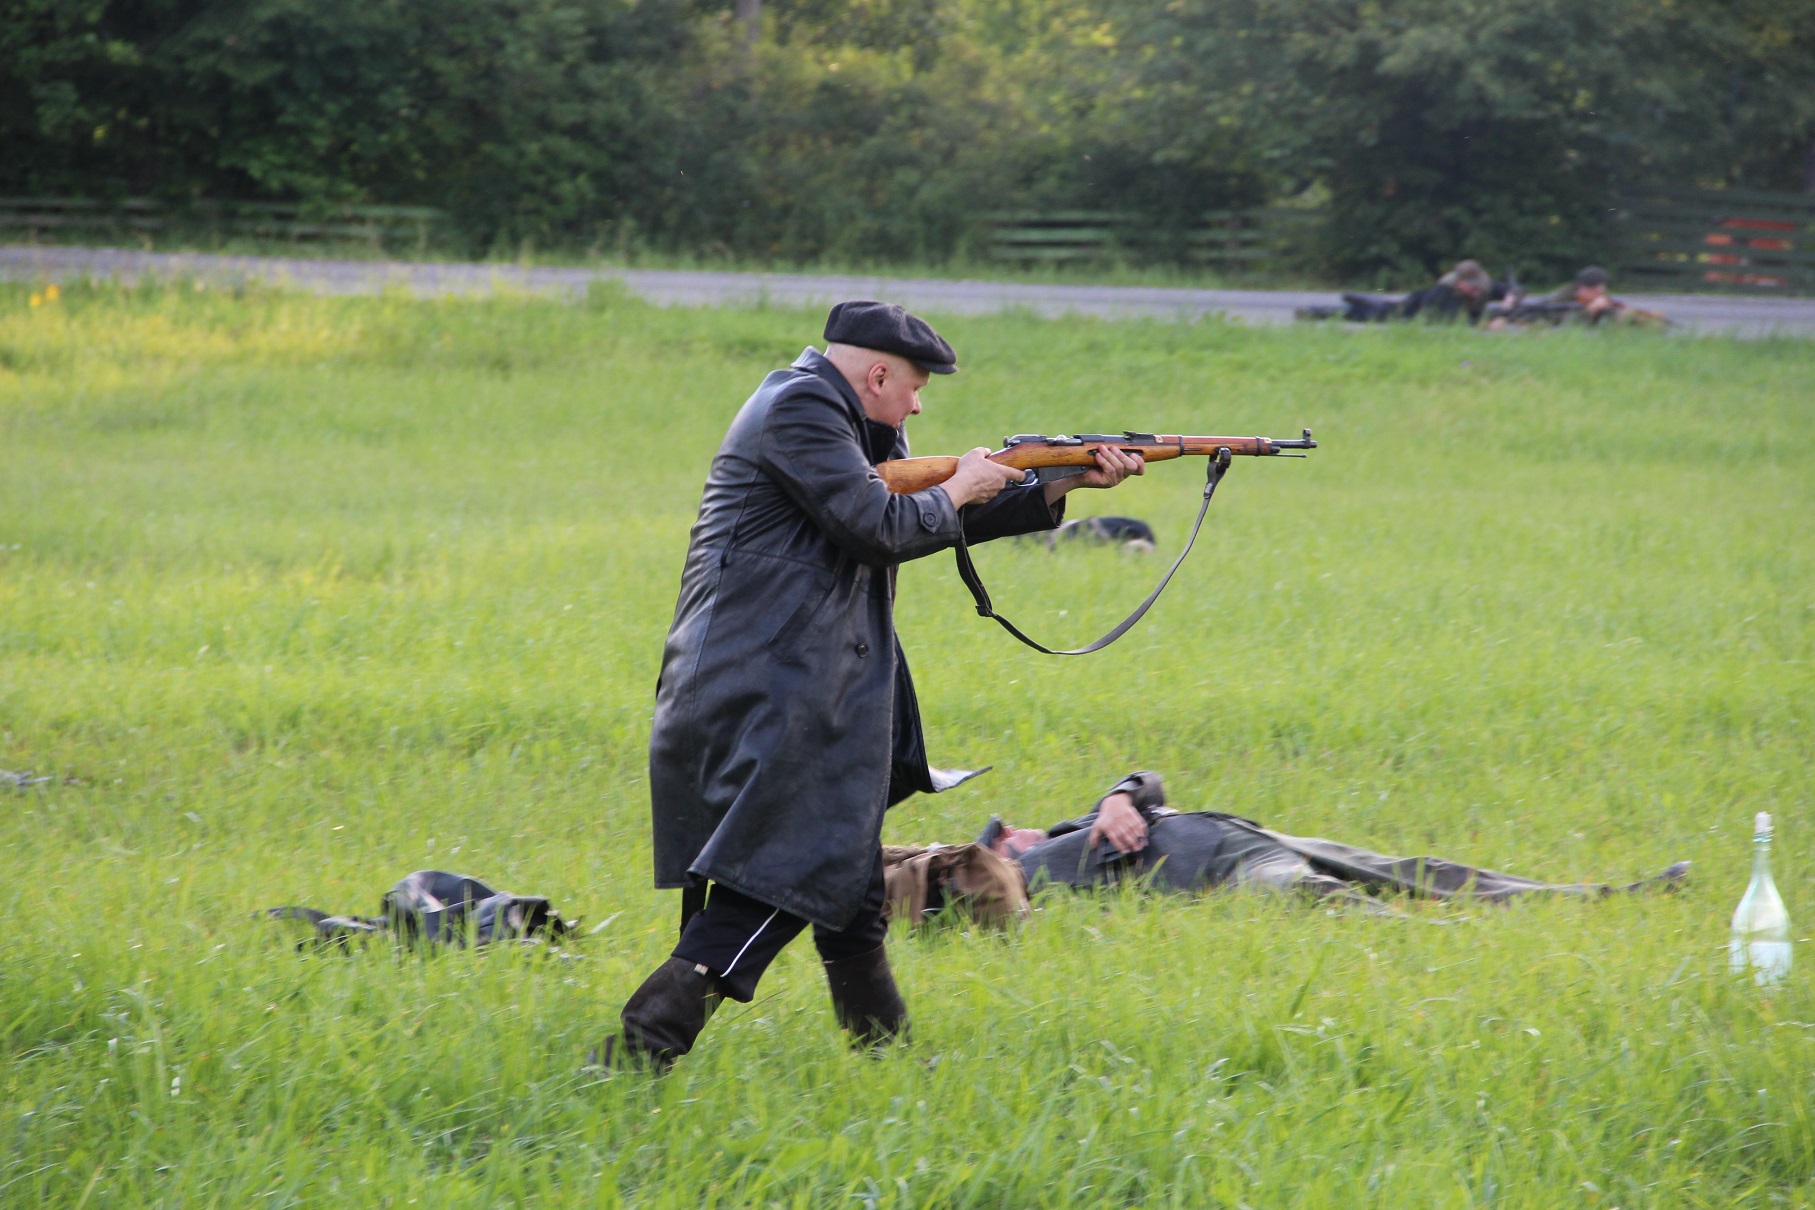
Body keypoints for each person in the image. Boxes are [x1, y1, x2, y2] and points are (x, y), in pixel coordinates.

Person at [593, 301, 1143, 1072]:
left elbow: (918, 520)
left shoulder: (855, 423)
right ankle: (636, 1052)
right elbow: (877, 526)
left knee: (848, 886)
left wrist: (1055, 487)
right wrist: (963, 484)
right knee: (782, 876)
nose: (917, 406)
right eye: (914, 388)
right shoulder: (800, 410)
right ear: (877, 375)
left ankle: (887, 1063)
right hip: (767, 684)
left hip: (802, 679)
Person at [979, 771, 1689, 904]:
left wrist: (1116, 798)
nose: (1018, 831)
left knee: (1417, 870)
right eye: (1004, 840)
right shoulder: (1036, 878)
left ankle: (1602, 896)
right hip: (1229, 874)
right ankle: (1451, 943)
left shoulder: (1083, 825)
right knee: (1319, 897)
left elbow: (1151, 780)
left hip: (1248, 836)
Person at [1298, 260, 1510, 325]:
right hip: (1415, 310)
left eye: (1477, 285)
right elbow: (1450, 322)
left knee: (1384, 308)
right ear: (1459, 283)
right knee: (1375, 315)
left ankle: (1366, 301)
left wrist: (1509, 301)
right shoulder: (1444, 293)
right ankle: (1319, 312)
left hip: (1417, 303)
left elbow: (1510, 291)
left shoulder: (1484, 285)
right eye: (1470, 286)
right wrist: (1488, 322)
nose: (1476, 290)